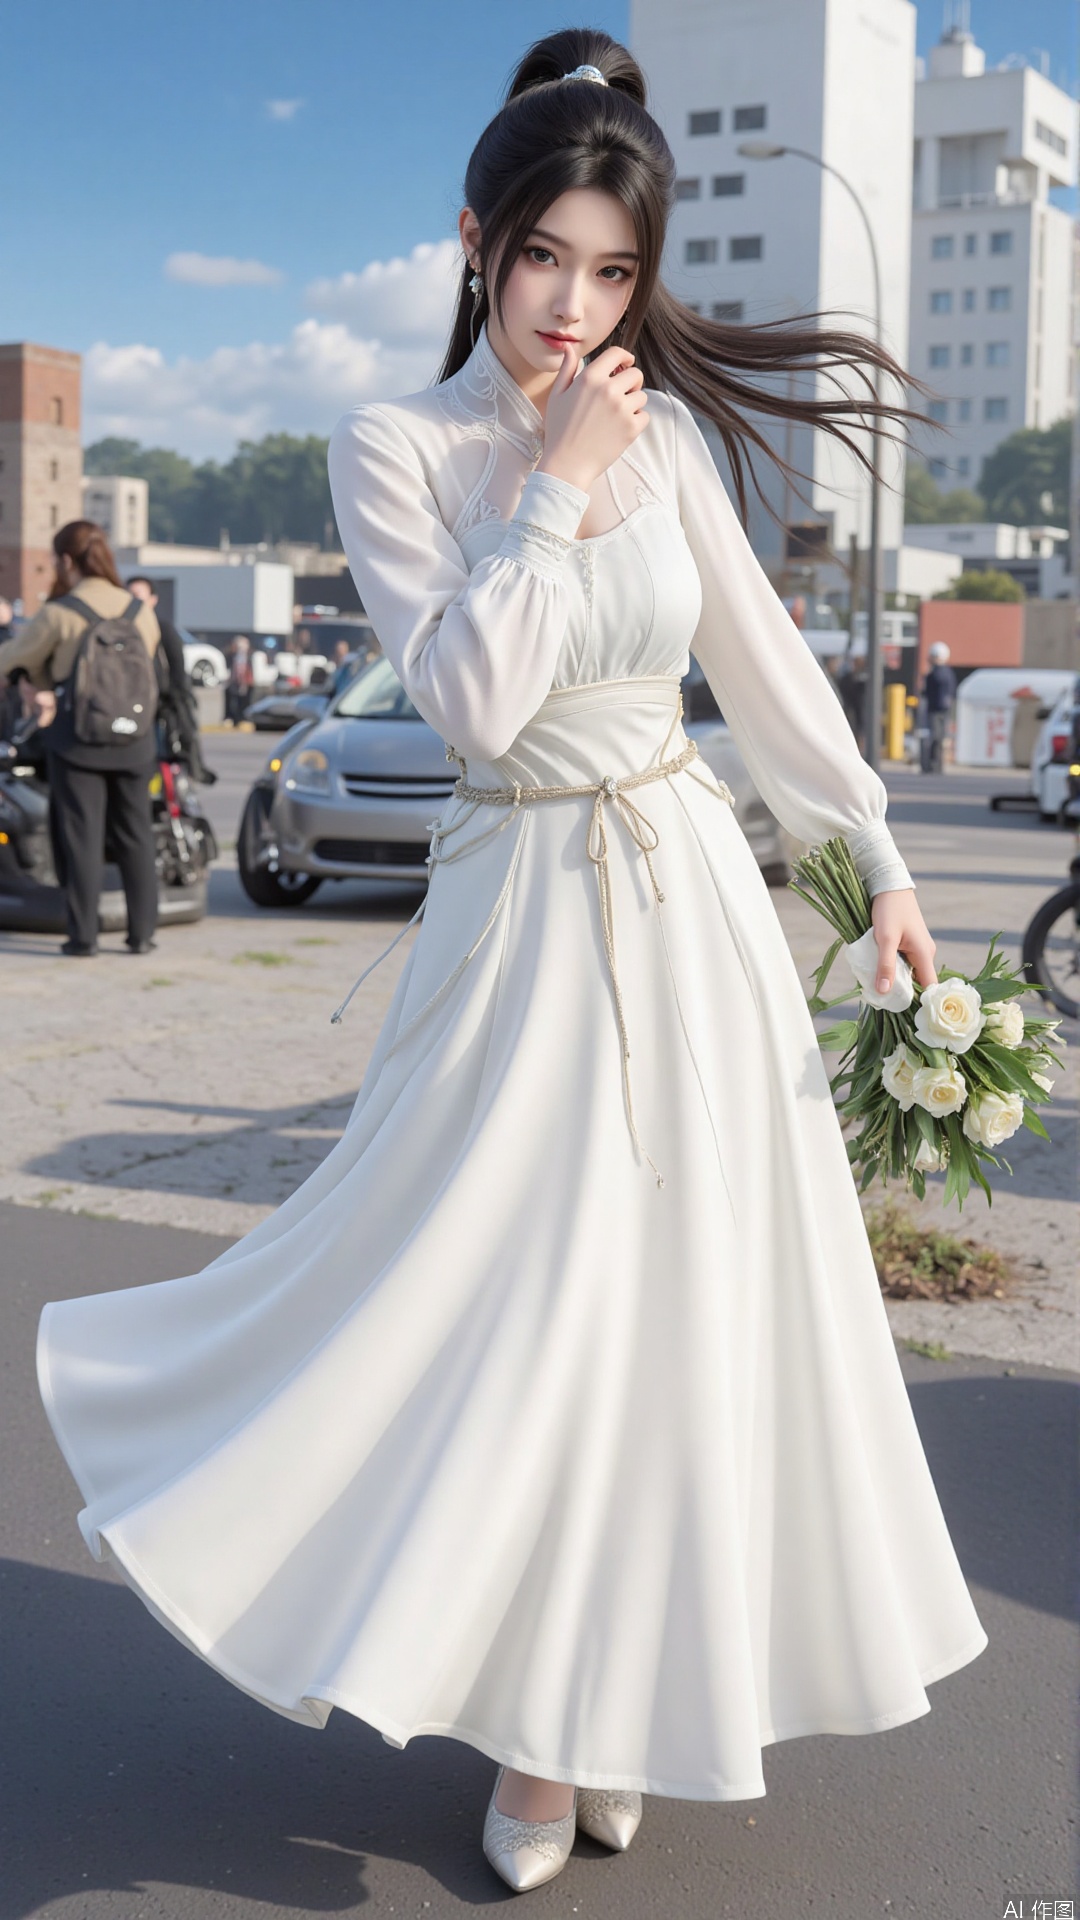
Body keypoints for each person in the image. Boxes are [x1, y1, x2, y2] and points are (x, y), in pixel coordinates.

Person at [34, 28, 987, 1899]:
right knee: (507, 1306)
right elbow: (476, 702)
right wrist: (554, 481)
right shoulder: (397, 446)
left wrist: (873, 859)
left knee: (676, 1319)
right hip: (522, 918)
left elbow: (763, 672)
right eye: (543, 256)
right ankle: (519, 1696)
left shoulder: (672, 439)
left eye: (611, 272)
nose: (573, 304)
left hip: (689, 904)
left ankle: (595, 1716)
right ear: (475, 243)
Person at [0, 519, 160, 955]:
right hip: (135, 738)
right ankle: (142, 933)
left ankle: (84, 936)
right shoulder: (139, 611)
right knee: (136, 835)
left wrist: (34, 678)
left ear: (66, 560)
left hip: (78, 741)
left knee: (81, 837)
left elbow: (13, 658)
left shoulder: (61, 613)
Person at [126, 576, 216, 785]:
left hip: (159, 712)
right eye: (128, 596)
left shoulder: (163, 629)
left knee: (161, 766)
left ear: (153, 600)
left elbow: (178, 672)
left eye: (137, 596)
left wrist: (177, 705)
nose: (132, 601)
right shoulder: (121, 629)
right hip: (129, 710)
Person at [921, 640, 956, 774]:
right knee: (938, 738)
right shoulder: (947, 673)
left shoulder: (936, 673)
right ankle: (935, 765)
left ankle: (934, 764)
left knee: (937, 737)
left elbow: (928, 691)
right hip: (940, 710)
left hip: (936, 710)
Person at [224, 635, 254, 724]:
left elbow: (249, 670)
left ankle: (243, 717)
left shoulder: (250, 656)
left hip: (246, 683)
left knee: (244, 701)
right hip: (234, 682)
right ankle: (232, 718)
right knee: (232, 701)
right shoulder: (231, 655)